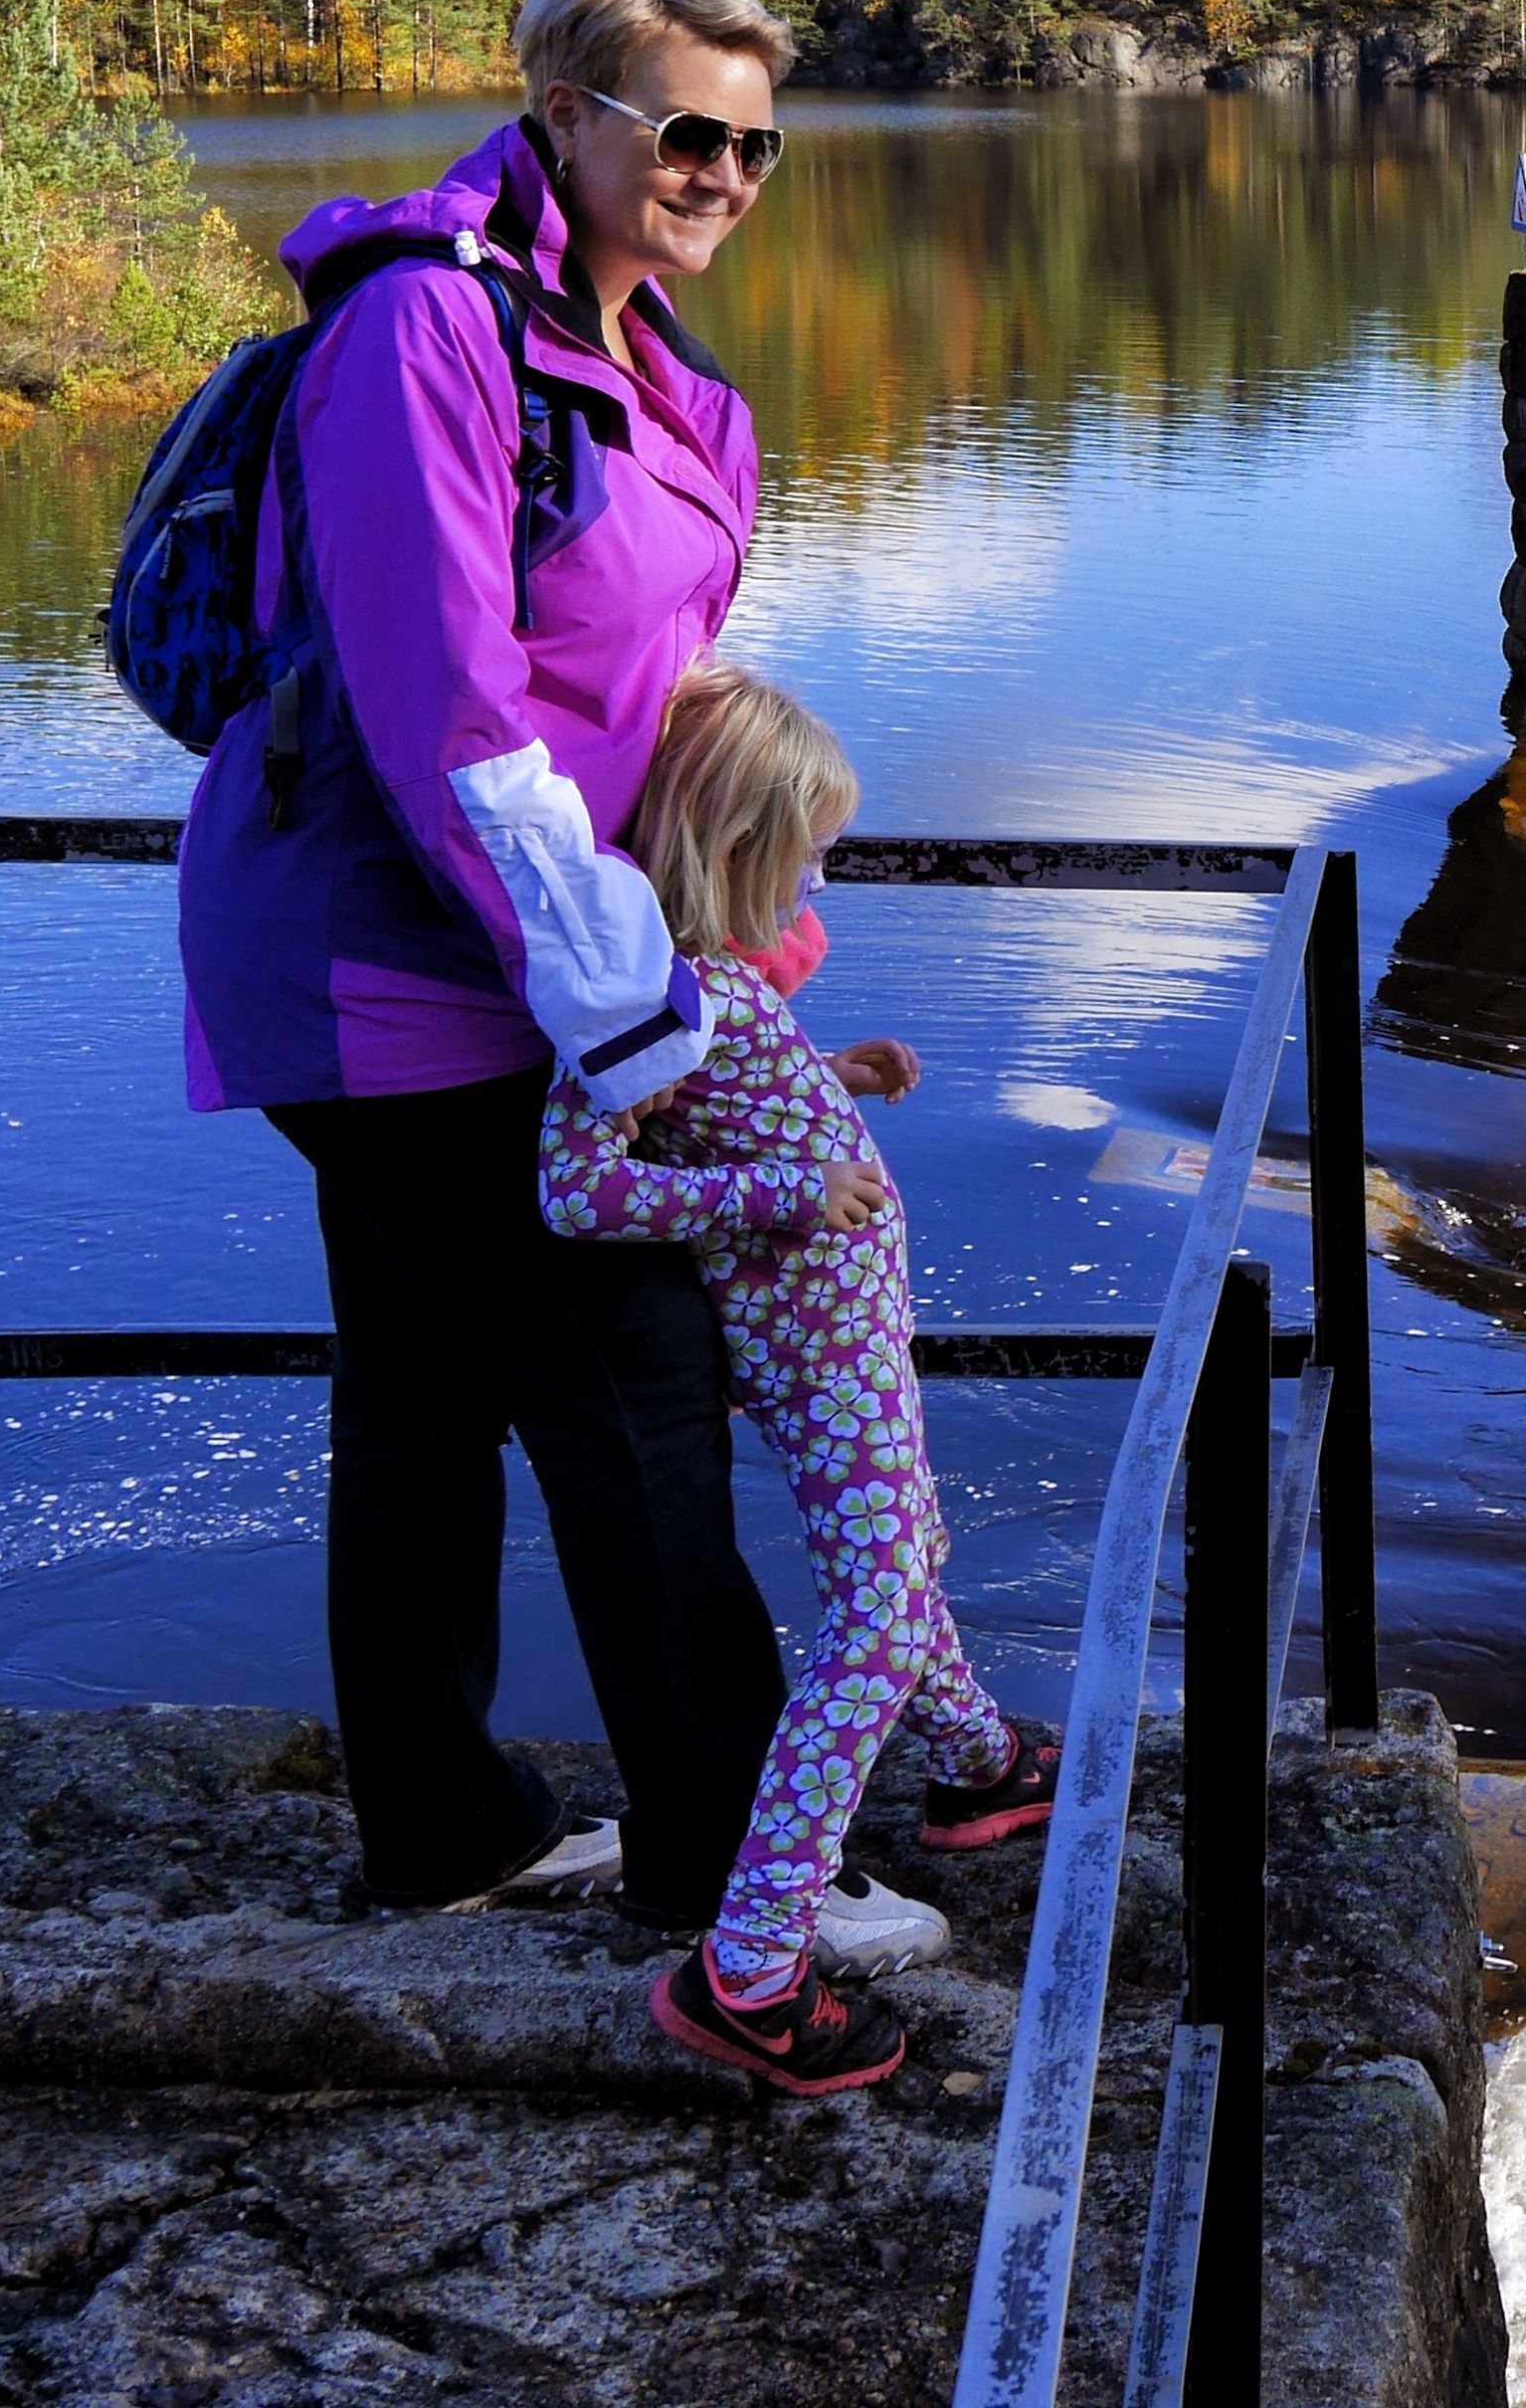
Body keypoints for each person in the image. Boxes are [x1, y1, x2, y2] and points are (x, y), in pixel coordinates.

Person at [176, 0, 911, 1960]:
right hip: (382, 963)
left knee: (421, 1384)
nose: (721, 176)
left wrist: (737, 917)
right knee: (635, 1373)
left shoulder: (672, 383)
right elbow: (449, 716)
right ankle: (734, 1864)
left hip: (519, 958)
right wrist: (643, 1024)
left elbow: (651, 697)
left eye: (756, 145)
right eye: (684, 130)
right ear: (563, 109)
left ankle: (440, 1827)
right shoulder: (424, 329)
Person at [540, 663, 1062, 2092]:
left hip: (842, 1338)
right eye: (809, 847)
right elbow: (576, 1190)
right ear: (735, 842)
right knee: (880, 1615)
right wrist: (784, 1184)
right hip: (812, 1351)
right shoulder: (643, 991)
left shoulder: (699, 987)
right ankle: (753, 1963)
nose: (823, 872)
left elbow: (712, 1108)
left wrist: (832, 1075)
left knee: (898, 1557)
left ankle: (976, 1767)